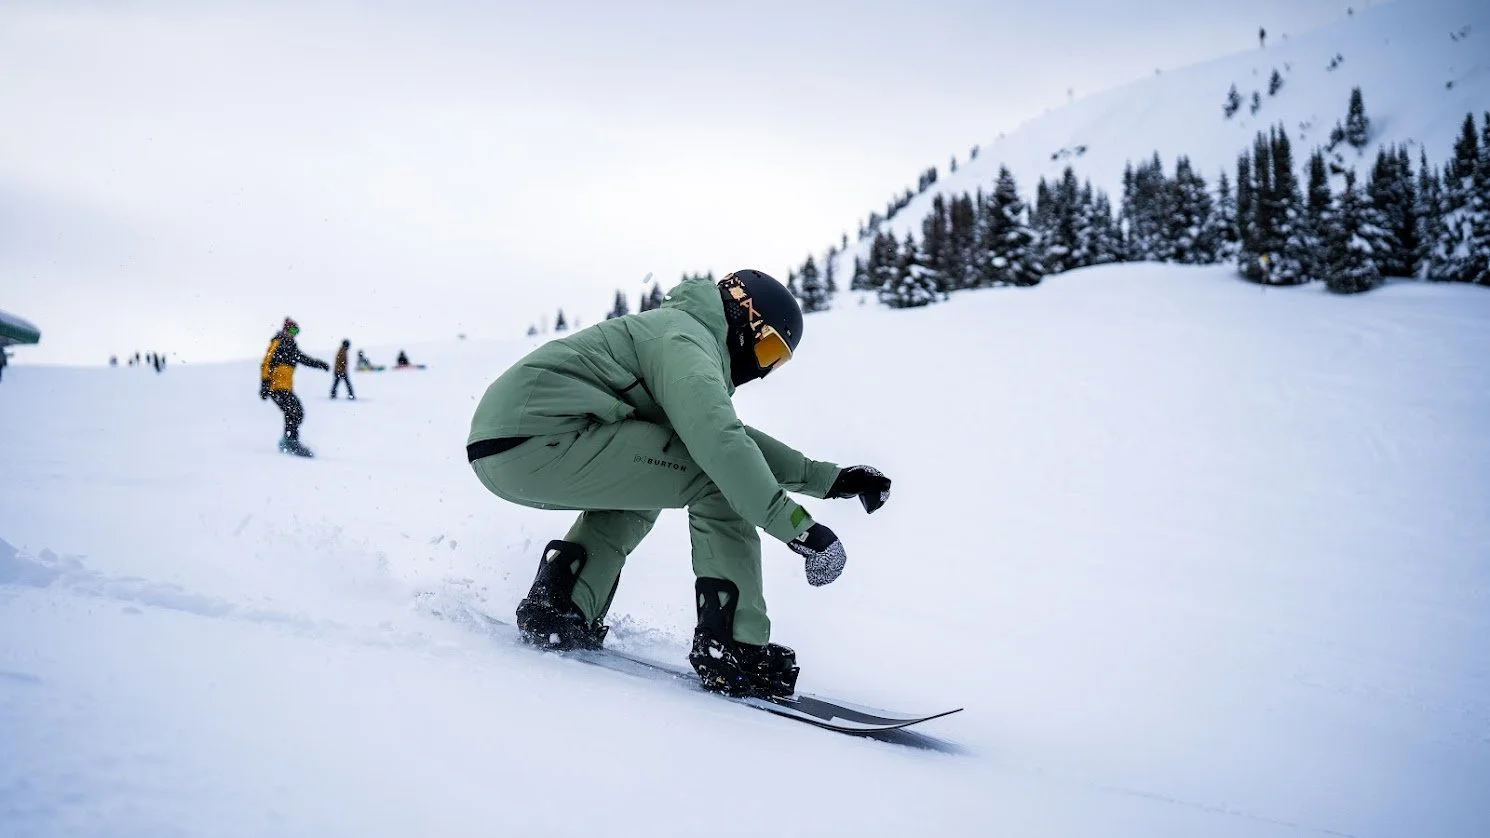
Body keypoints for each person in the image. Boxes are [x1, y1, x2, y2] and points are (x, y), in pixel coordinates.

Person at [467, 270, 891, 698]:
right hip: (542, 438)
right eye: (767, 350)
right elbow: (721, 449)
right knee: (716, 480)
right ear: (746, 318)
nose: (762, 368)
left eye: (775, 362)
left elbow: (725, 437)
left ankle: (562, 603)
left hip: (511, 445)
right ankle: (732, 647)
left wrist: (829, 479)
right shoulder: (686, 341)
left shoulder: (676, 335)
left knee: (652, 479)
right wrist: (800, 529)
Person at [259, 317, 329, 457]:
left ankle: (289, 440)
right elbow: (267, 362)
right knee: (293, 411)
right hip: (276, 387)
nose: (294, 333)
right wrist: (265, 383)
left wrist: (319, 364)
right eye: (292, 330)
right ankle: (290, 441)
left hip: (286, 387)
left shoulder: (292, 347)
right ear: (285, 330)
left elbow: (304, 359)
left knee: (297, 413)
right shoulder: (278, 342)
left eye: (296, 331)